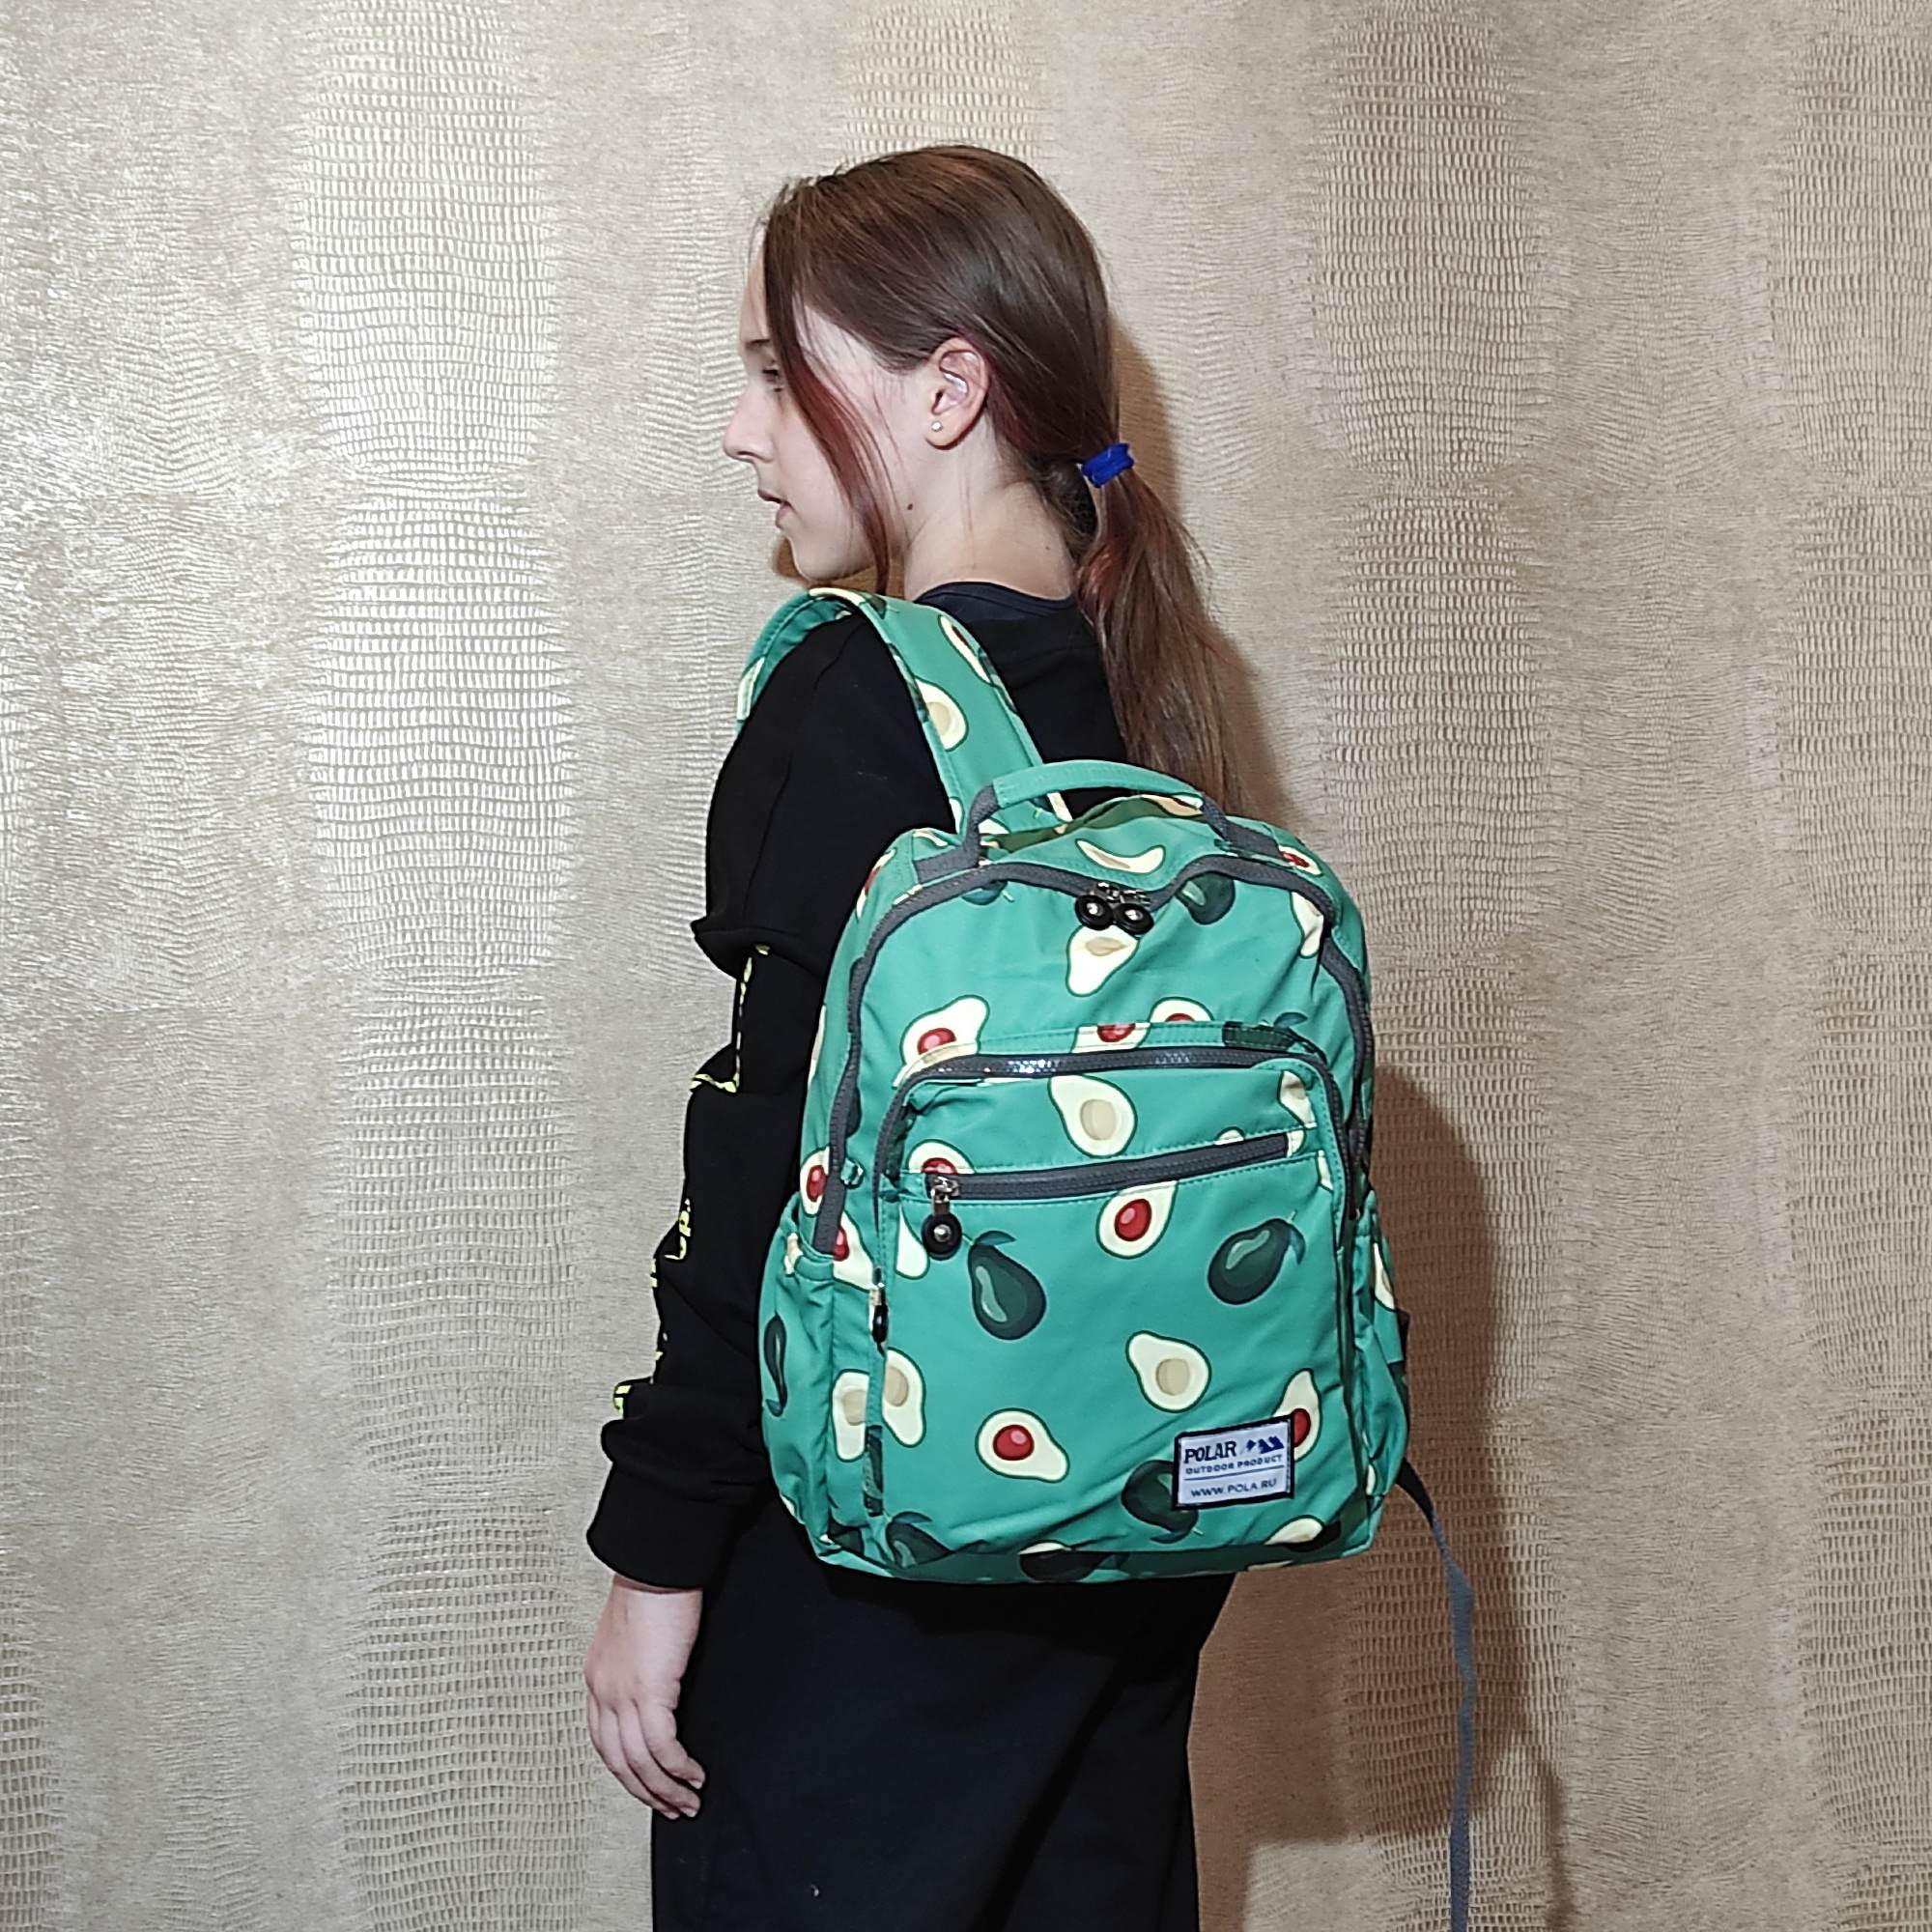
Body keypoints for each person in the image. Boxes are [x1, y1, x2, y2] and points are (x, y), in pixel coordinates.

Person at [582, 144, 1256, 1932]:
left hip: (869, 1577)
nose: (743, 431)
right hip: (1128, 1548)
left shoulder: (854, 692)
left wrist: (656, 1551)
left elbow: (762, 1161)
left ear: (948, 388)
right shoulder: (1153, 690)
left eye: (773, 371)